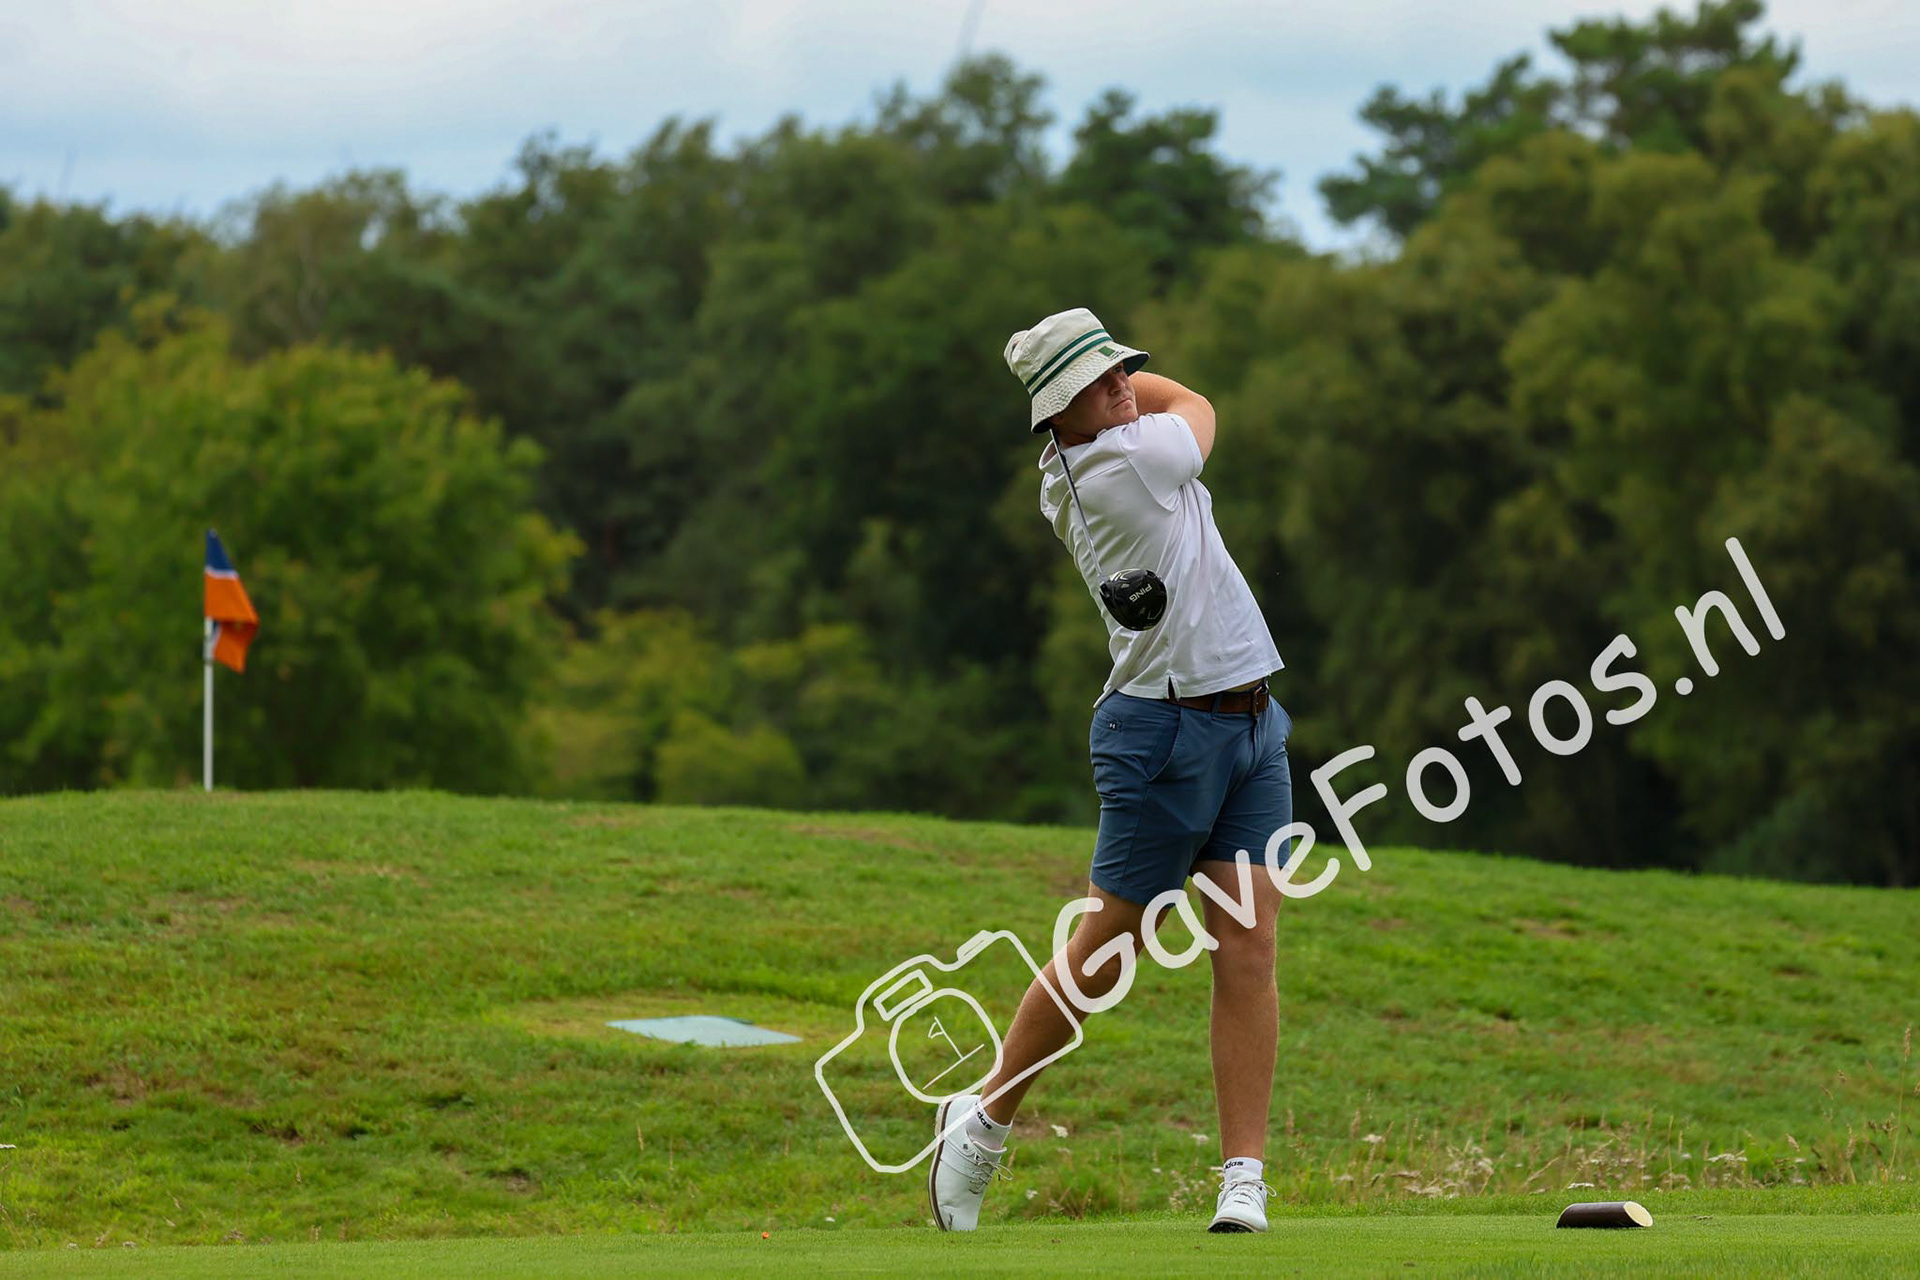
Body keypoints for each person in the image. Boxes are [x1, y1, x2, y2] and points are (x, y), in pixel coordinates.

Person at [929, 307, 1292, 1234]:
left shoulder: (1093, 450)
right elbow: (1198, 402)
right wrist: (1144, 384)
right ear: (1060, 416)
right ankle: (982, 1124)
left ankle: (1242, 1178)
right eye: (1099, 384)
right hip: (1162, 735)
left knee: (1247, 946)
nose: (1124, 389)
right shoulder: (1133, 461)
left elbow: (1151, 403)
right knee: (1106, 952)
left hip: (1250, 718)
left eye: (1122, 371)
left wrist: (1108, 381)